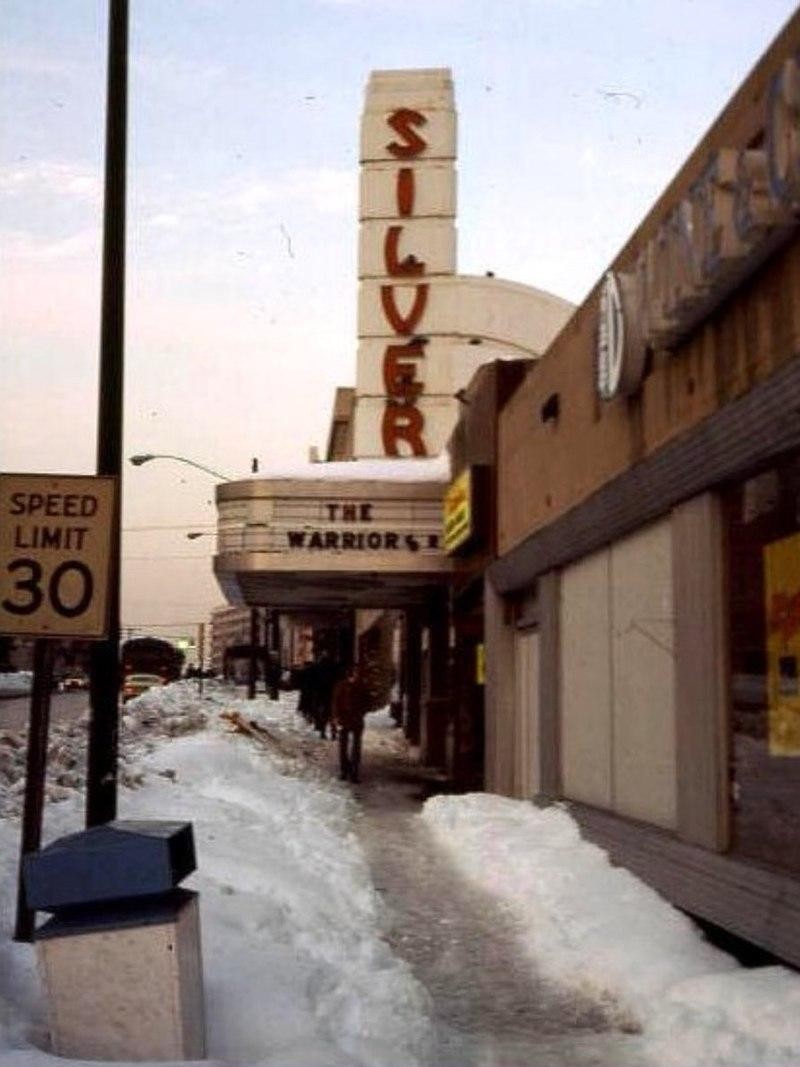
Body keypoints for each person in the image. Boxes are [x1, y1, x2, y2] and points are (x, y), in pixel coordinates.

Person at [332, 663, 368, 783]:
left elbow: (367, 702)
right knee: (343, 745)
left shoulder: (361, 686)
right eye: (356, 672)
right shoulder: (341, 686)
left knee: (356, 747)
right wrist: (336, 717)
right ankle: (344, 769)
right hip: (344, 718)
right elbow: (335, 702)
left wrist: (362, 712)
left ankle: (354, 771)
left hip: (356, 719)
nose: (357, 674)